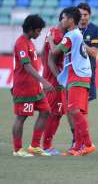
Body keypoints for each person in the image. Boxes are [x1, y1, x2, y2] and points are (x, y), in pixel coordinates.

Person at [48, 6, 95, 156]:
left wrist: (50, 40)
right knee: (76, 111)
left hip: (78, 75)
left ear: (70, 19)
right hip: (81, 74)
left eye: (64, 18)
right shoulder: (76, 34)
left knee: (74, 110)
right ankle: (78, 146)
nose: (62, 20)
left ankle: (87, 144)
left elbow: (55, 51)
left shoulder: (70, 35)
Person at [12, 14, 53, 157]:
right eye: (37, 30)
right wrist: (44, 81)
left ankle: (34, 146)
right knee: (21, 117)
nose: (39, 33)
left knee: (46, 111)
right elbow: (27, 66)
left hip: (35, 87)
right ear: (30, 29)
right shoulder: (21, 43)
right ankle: (17, 149)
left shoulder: (30, 42)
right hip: (24, 88)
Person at [41, 10, 67, 155]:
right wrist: (58, 78)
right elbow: (51, 59)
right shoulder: (57, 36)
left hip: (49, 77)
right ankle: (46, 145)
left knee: (54, 112)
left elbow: (43, 54)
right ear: (63, 19)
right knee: (55, 113)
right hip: (55, 80)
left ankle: (44, 144)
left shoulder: (51, 32)